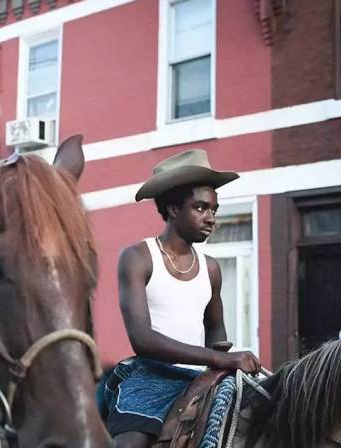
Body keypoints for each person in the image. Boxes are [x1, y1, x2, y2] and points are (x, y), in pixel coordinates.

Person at [103, 149, 263, 448]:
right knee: (130, 443)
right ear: (174, 209)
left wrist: (221, 364)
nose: (211, 218)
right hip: (151, 378)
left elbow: (216, 330)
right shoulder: (138, 257)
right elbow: (142, 339)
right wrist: (218, 357)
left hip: (202, 381)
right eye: (201, 208)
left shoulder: (211, 268)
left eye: (214, 209)